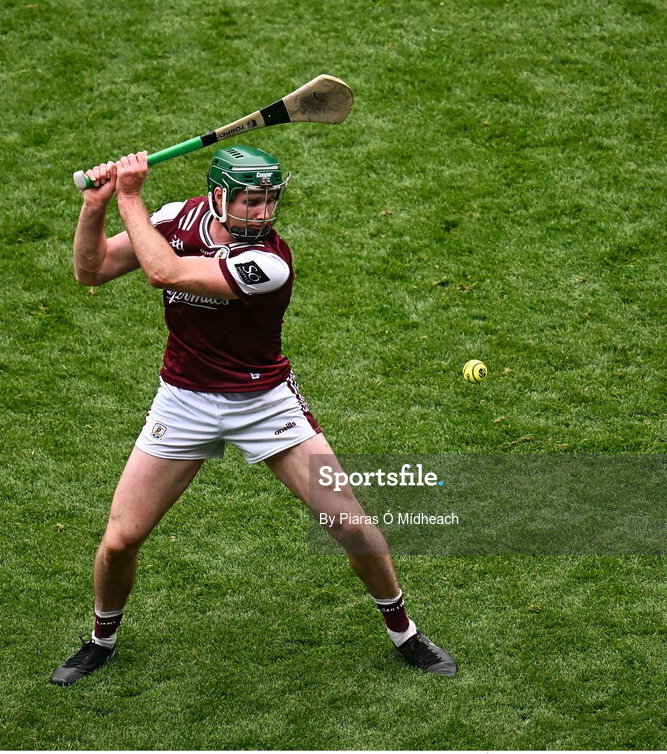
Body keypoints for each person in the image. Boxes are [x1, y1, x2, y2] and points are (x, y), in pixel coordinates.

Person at [50, 146, 457, 686]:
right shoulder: (177, 219)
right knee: (121, 539)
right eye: (250, 201)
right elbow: (92, 271)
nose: (261, 213)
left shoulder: (269, 262)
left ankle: (404, 630)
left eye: (268, 201)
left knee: (349, 522)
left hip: (263, 403)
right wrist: (97, 206)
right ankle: (101, 640)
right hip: (184, 400)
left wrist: (129, 194)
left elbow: (163, 272)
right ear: (218, 196)